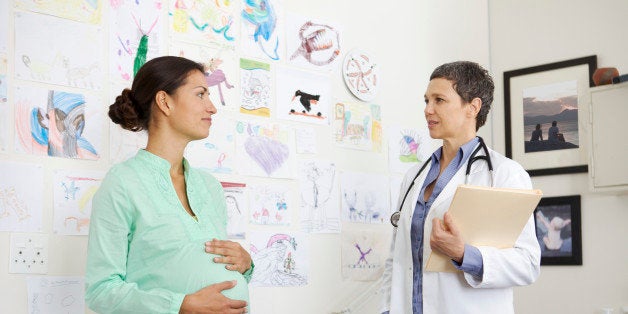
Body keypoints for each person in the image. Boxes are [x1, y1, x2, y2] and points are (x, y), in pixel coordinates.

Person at [85, 56, 254, 314]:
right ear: (165, 102)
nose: (212, 108)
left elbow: (206, 268)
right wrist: (180, 306)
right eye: (201, 94)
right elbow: (101, 292)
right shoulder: (122, 183)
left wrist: (245, 264)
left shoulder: (209, 186)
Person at [380, 61, 540, 314]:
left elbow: (527, 263)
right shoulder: (414, 176)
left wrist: (464, 254)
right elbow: (397, 259)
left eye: (439, 100)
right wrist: (387, 308)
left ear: (473, 107)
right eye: (426, 101)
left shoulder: (503, 174)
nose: (428, 110)